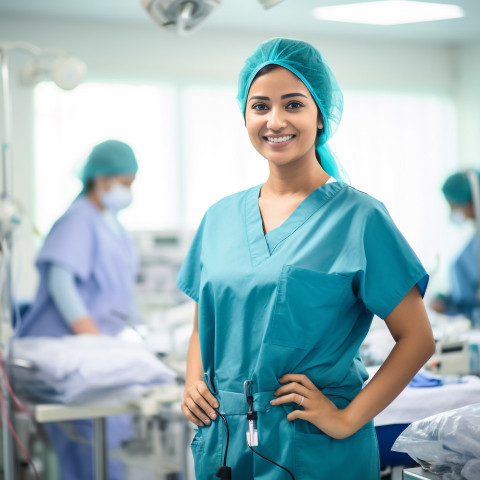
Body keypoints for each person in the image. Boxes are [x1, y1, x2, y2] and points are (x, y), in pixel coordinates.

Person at [176, 38, 435, 480]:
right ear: (245, 116)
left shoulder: (359, 218)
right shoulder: (219, 217)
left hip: (314, 447)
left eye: (292, 104)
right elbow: (206, 316)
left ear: (320, 117)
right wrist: (193, 381)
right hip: (222, 443)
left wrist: (348, 417)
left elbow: (417, 339)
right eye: (260, 106)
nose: (275, 120)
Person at [16, 139, 139, 480]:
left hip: (95, 350)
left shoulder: (110, 224)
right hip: (69, 349)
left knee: (110, 445)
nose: (128, 192)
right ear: (103, 180)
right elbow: (60, 283)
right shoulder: (79, 219)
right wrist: (94, 339)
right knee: (87, 452)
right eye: (126, 183)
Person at [430, 170, 480, 319]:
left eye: (453, 205)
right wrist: (445, 302)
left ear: (470, 203)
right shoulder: (473, 245)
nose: (452, 211)